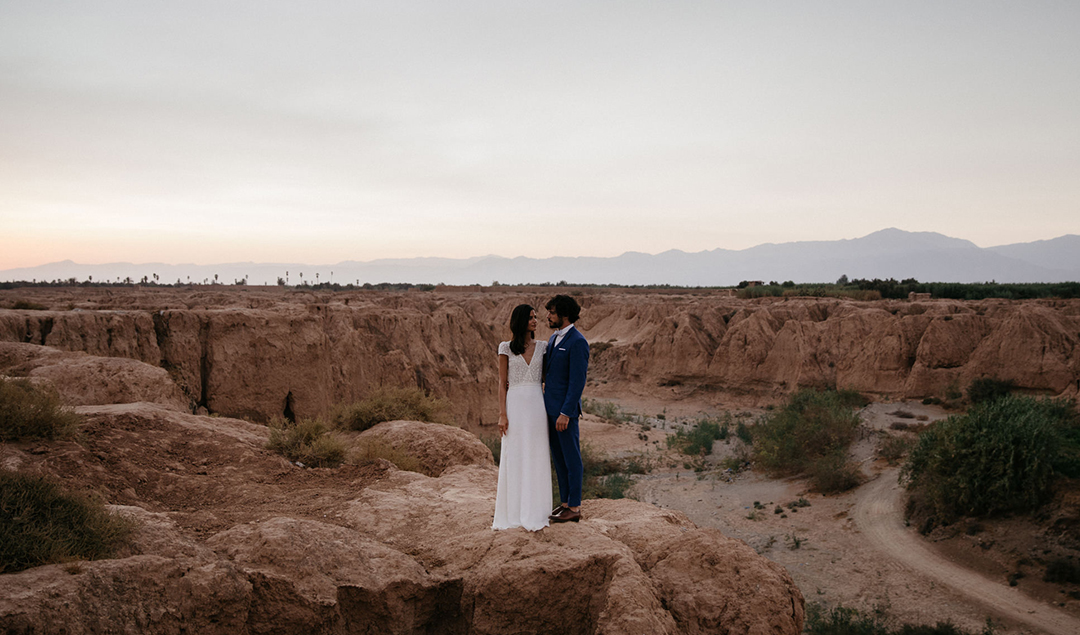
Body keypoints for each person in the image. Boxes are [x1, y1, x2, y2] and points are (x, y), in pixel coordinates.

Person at [492, 304, 553, 531]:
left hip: (537, 406)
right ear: (520, 321)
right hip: (514, 405)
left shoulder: (544, 347)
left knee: (536, 454)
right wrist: (502, 414)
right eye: (530, 317)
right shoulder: (505, 348)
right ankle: (514, 513)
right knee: (515, 454)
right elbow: (501, 383)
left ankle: (537, 511)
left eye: (535, 317)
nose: (535, 320)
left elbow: (549, 379)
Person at [543, 295, 589, 523]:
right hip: (549, 410)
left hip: (563, 413)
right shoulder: (553, 339)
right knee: (559, 459)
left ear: (565, 315)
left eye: (552, 312)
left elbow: (577, 381)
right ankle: (564, 503)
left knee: (572, 459)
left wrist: (566, 413)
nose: (548, 316)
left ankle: (575, 506)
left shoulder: (577, 341)